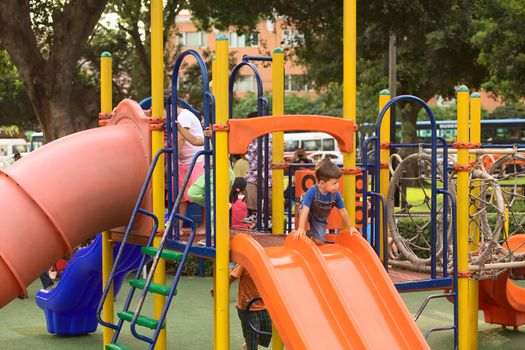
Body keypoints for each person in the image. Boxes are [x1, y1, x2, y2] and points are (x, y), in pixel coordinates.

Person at [211, 264, 272, 350]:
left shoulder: (264, 262)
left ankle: (248, 344)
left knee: (268, 330)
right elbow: (231, 277)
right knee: (252, 338)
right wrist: (218, 287)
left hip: (262, 304)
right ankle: (250, 344)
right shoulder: (243, 264)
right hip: (248, 307)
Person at [292, 158, 352, 243]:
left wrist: (350, 227)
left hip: (319, 218)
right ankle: (303, 233)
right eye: (334, 183)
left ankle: (311, 238)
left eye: (338, 182)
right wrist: (301, 228)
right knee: (302, 210)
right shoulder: (313, 191)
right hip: (307, 209)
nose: (337, 185)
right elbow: (305, 209)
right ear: (322, 183)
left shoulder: (336, 194)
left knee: (319, 242)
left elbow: (343, 211)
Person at [176, 106, 205, 226]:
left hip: (196, 161)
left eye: (203, 120)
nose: (201, 122)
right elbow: (193, 140)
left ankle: (205, 226)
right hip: (185, 161)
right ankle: (179, 226)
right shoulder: (179, 118)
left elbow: (184, 139)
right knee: (182, 196)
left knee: (201, 192)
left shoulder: (184, 116)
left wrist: (172, 158)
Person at [244, 112, 272, 224]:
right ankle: (254, 212)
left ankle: (269, 216)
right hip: (254, 171)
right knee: (249, 186)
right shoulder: (249, 137)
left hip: (269, 170)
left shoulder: (269, 136)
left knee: (270, 193)